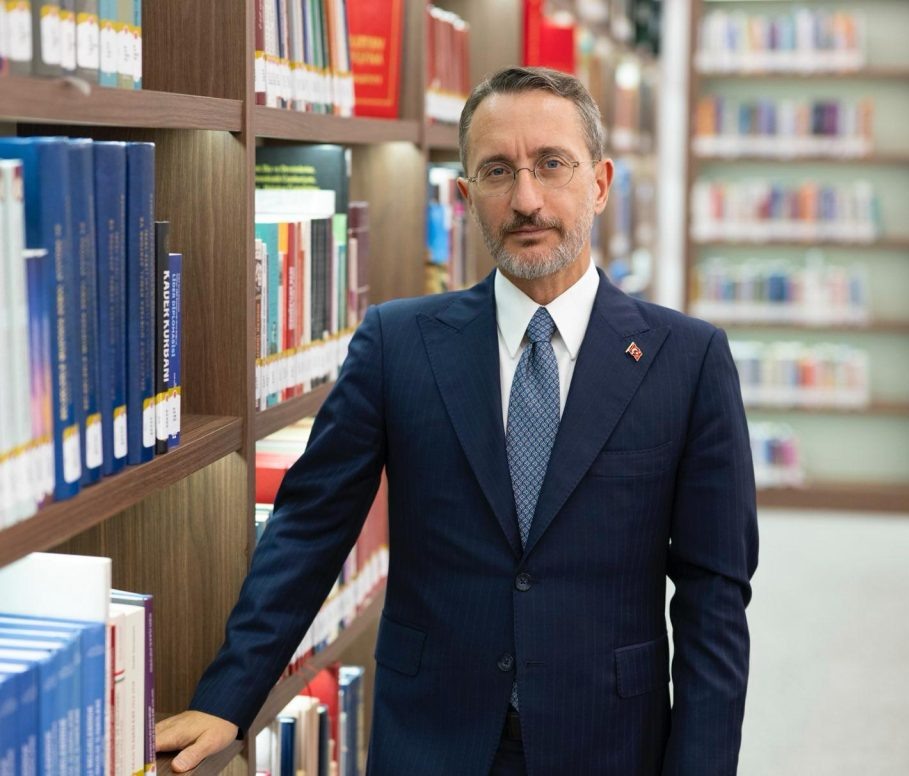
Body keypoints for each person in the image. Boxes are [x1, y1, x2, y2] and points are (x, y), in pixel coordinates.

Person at [156, 66, 759, 776]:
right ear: (468, 197)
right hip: (431, 738)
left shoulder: (686, 360)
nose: (526, 199)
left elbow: (715, 599)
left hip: (610, 740)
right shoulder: (398, 344)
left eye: (552, 164)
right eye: (499, 171)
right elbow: (310, 528)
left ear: (599, 184)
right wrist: (227, 699)